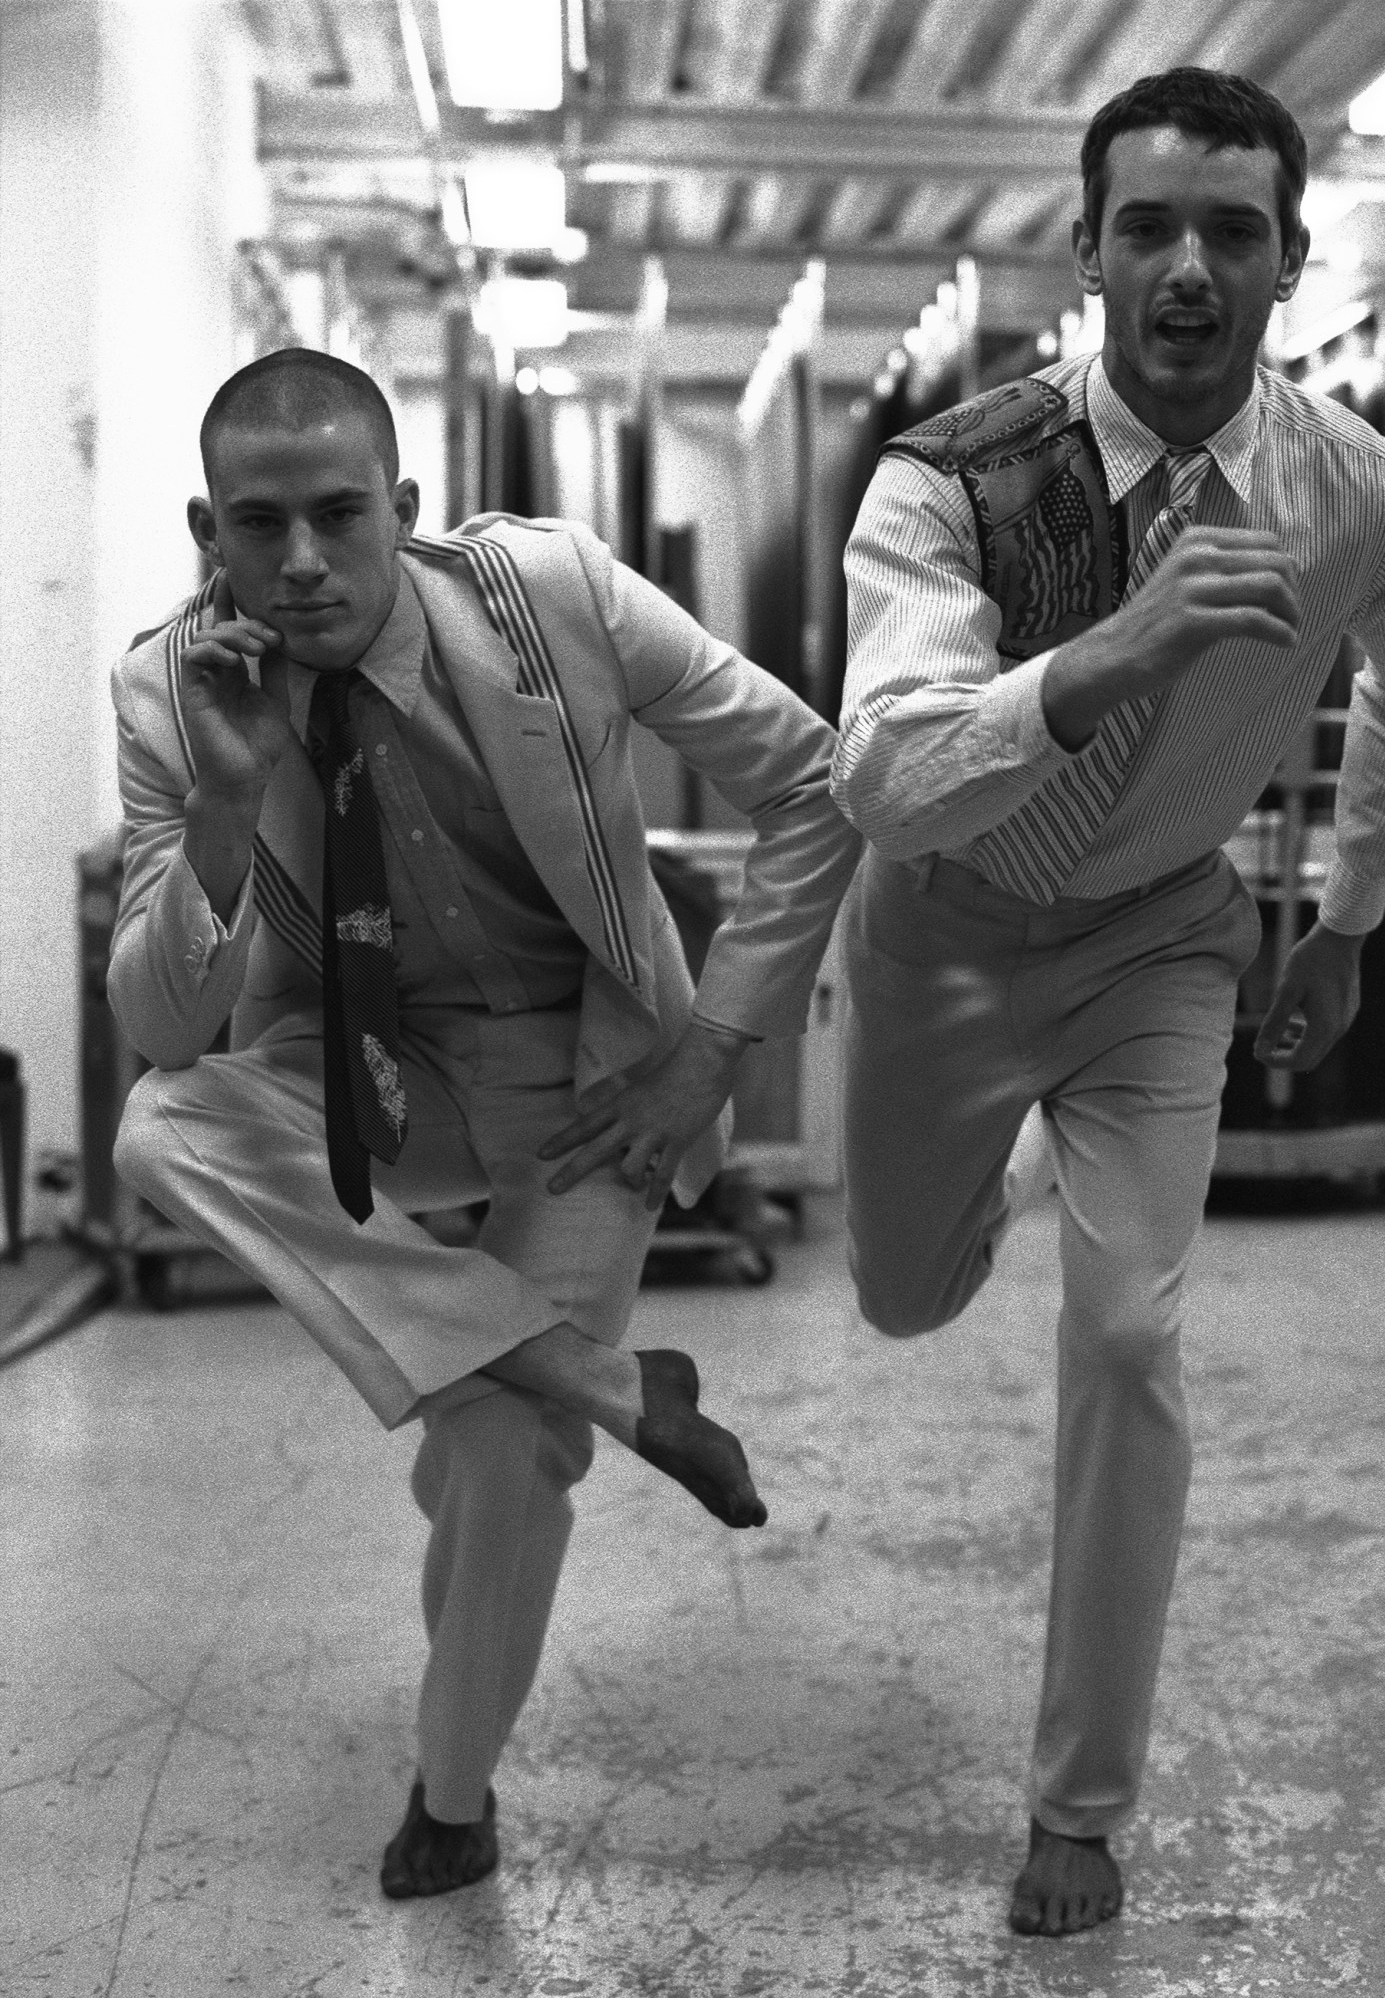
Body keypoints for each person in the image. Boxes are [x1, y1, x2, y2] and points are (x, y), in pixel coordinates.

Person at [835, 67, 1385, 1937]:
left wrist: (1345, 914)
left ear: (1287, 259)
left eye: (1231, 230)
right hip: (943, 933)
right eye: (1147, 227)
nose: (1187, 267)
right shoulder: (955, 474)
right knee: (895, 1294)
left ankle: (1079, 1807)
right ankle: (1010, 1167)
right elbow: (881, 774)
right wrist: (1108, 657)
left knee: (1126, 1342)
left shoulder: (1368, 500)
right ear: (1088, 249)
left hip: (1159, 950)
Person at [109, 348, 862, 1898]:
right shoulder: (167, 689)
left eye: (338, 515)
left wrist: (706, 1057)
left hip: (584, 1077)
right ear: (208, 528)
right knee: (157, 1126)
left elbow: (815, 784)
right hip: (355, 1076)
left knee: (496, 1450)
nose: (302, 562)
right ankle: (597, 1374)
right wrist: (226, 811)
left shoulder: (551, 594)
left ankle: (453, 1794)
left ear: (405, 505)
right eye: (260, 525)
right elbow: (164, 1027)